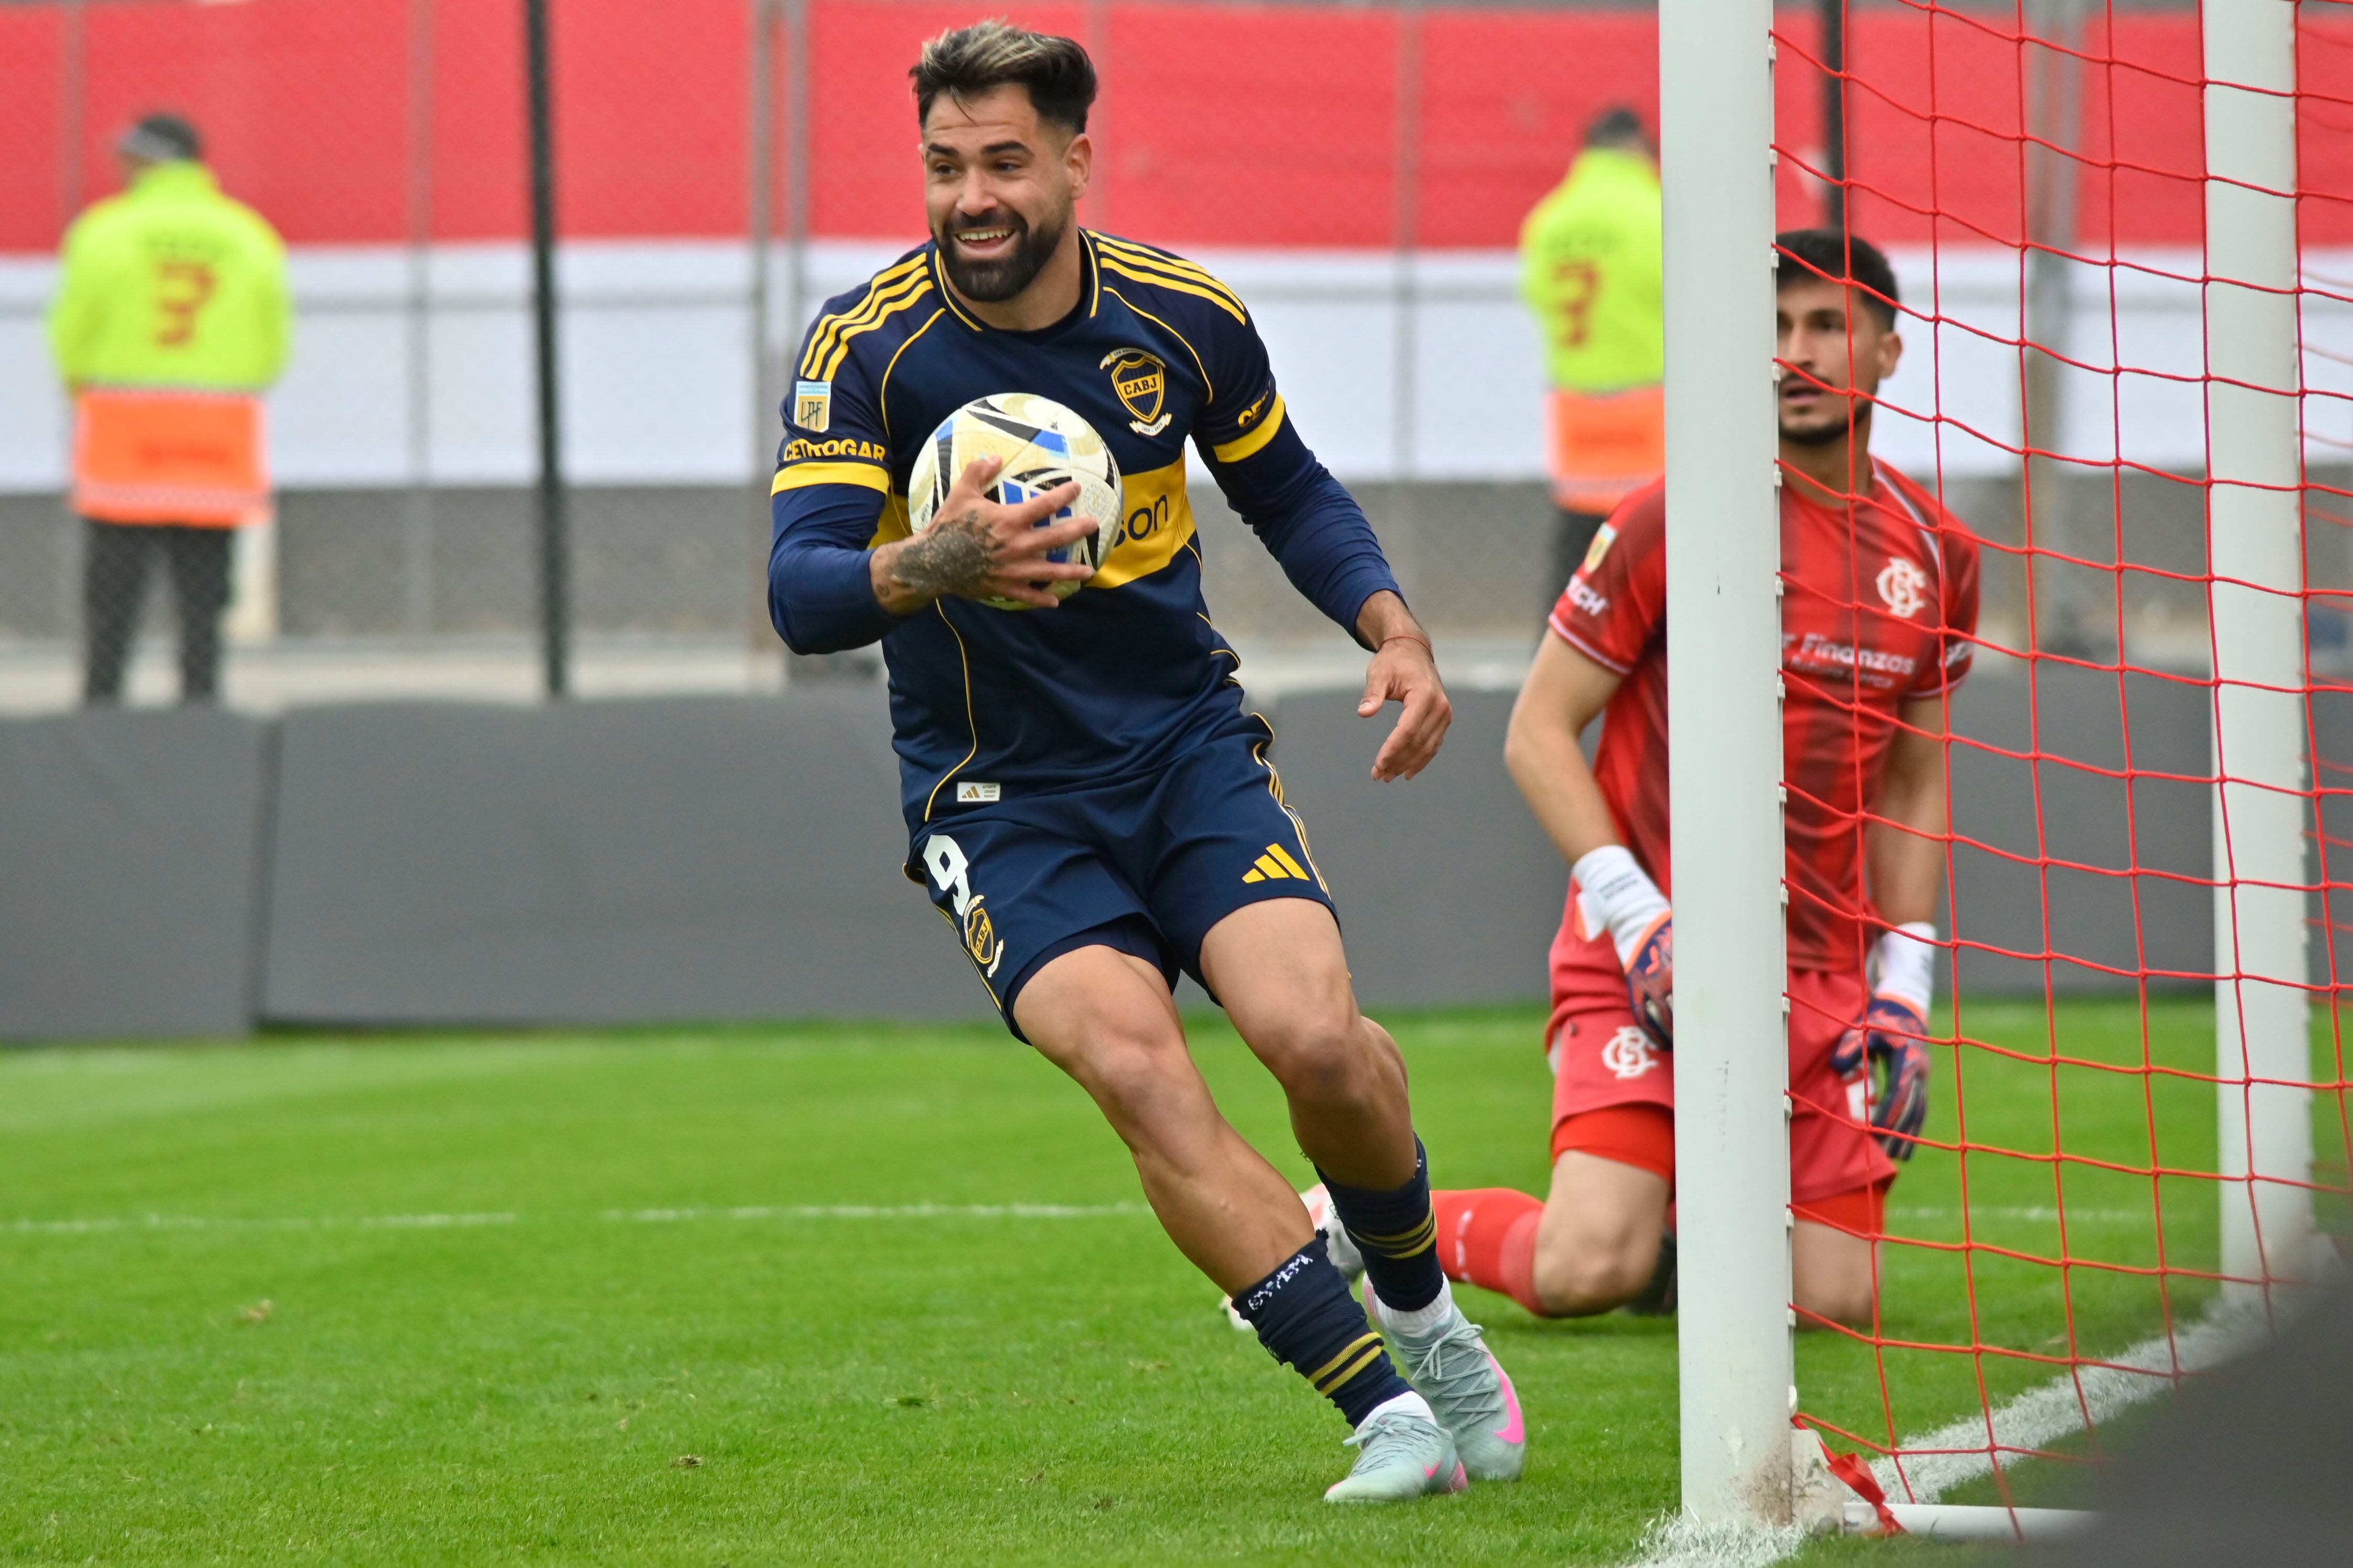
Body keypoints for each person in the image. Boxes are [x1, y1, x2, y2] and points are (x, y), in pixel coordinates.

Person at [765, 23, 1522, 1502]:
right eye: (942, 166)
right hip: (996, 794)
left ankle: (1427, 1318)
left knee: (1313, 1037)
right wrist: (941, 557)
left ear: (1071, 161)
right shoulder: (870, 344)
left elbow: (1286, 488)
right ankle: (1378, 1405)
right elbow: (800, 592)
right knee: (1133, 1062)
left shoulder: (1180, 317)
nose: (970, 197)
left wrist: (1394, 628)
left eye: (1001, 163)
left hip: (1182, 751)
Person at [1309, 231, 1978, 1328]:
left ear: (1888, 352)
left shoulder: (1938, 555)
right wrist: (1638, 919)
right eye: (1770, 329)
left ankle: (1671, 1238)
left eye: (1825, 326)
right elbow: (1537, 730)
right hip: (1645, 951)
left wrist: (1905, 983)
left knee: (1834, 1300)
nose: (1795, 352)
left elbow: (1912, 779)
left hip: (1822, 971)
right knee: (1585, 1269)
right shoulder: (1672, 520)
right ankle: (1364, 1219)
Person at [48, 112, 290, 707]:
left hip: (126, 433)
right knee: (205, 594)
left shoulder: (106, 230)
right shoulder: (247, 233)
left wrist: (84, 390)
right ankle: (202, 709)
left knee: (113, 593)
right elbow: (273, 341)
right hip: (216, 435)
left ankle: (101, 711)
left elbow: (73, 329)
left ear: (148, 160)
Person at [1519, 106, 1663, 612]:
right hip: (1652, 415)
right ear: (1638, 148)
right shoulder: (1656, 211)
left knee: (1576, 566)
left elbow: (1537, 296)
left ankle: (1552, 678)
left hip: (1577, 417)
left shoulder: (1549, 219)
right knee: (1656, 557)